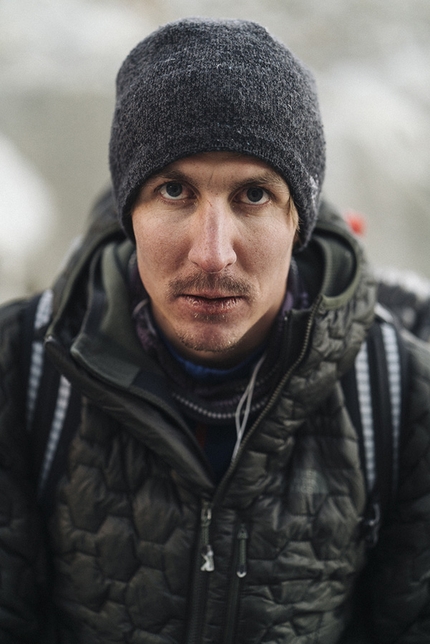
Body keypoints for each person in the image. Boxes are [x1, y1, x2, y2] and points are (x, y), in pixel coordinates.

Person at [0, 17, 429, 644]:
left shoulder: (397, 398)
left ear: (298, 223)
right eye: (174, 190)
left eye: (253, 195)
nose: (213, 254)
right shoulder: (23, 370)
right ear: (130, 214)